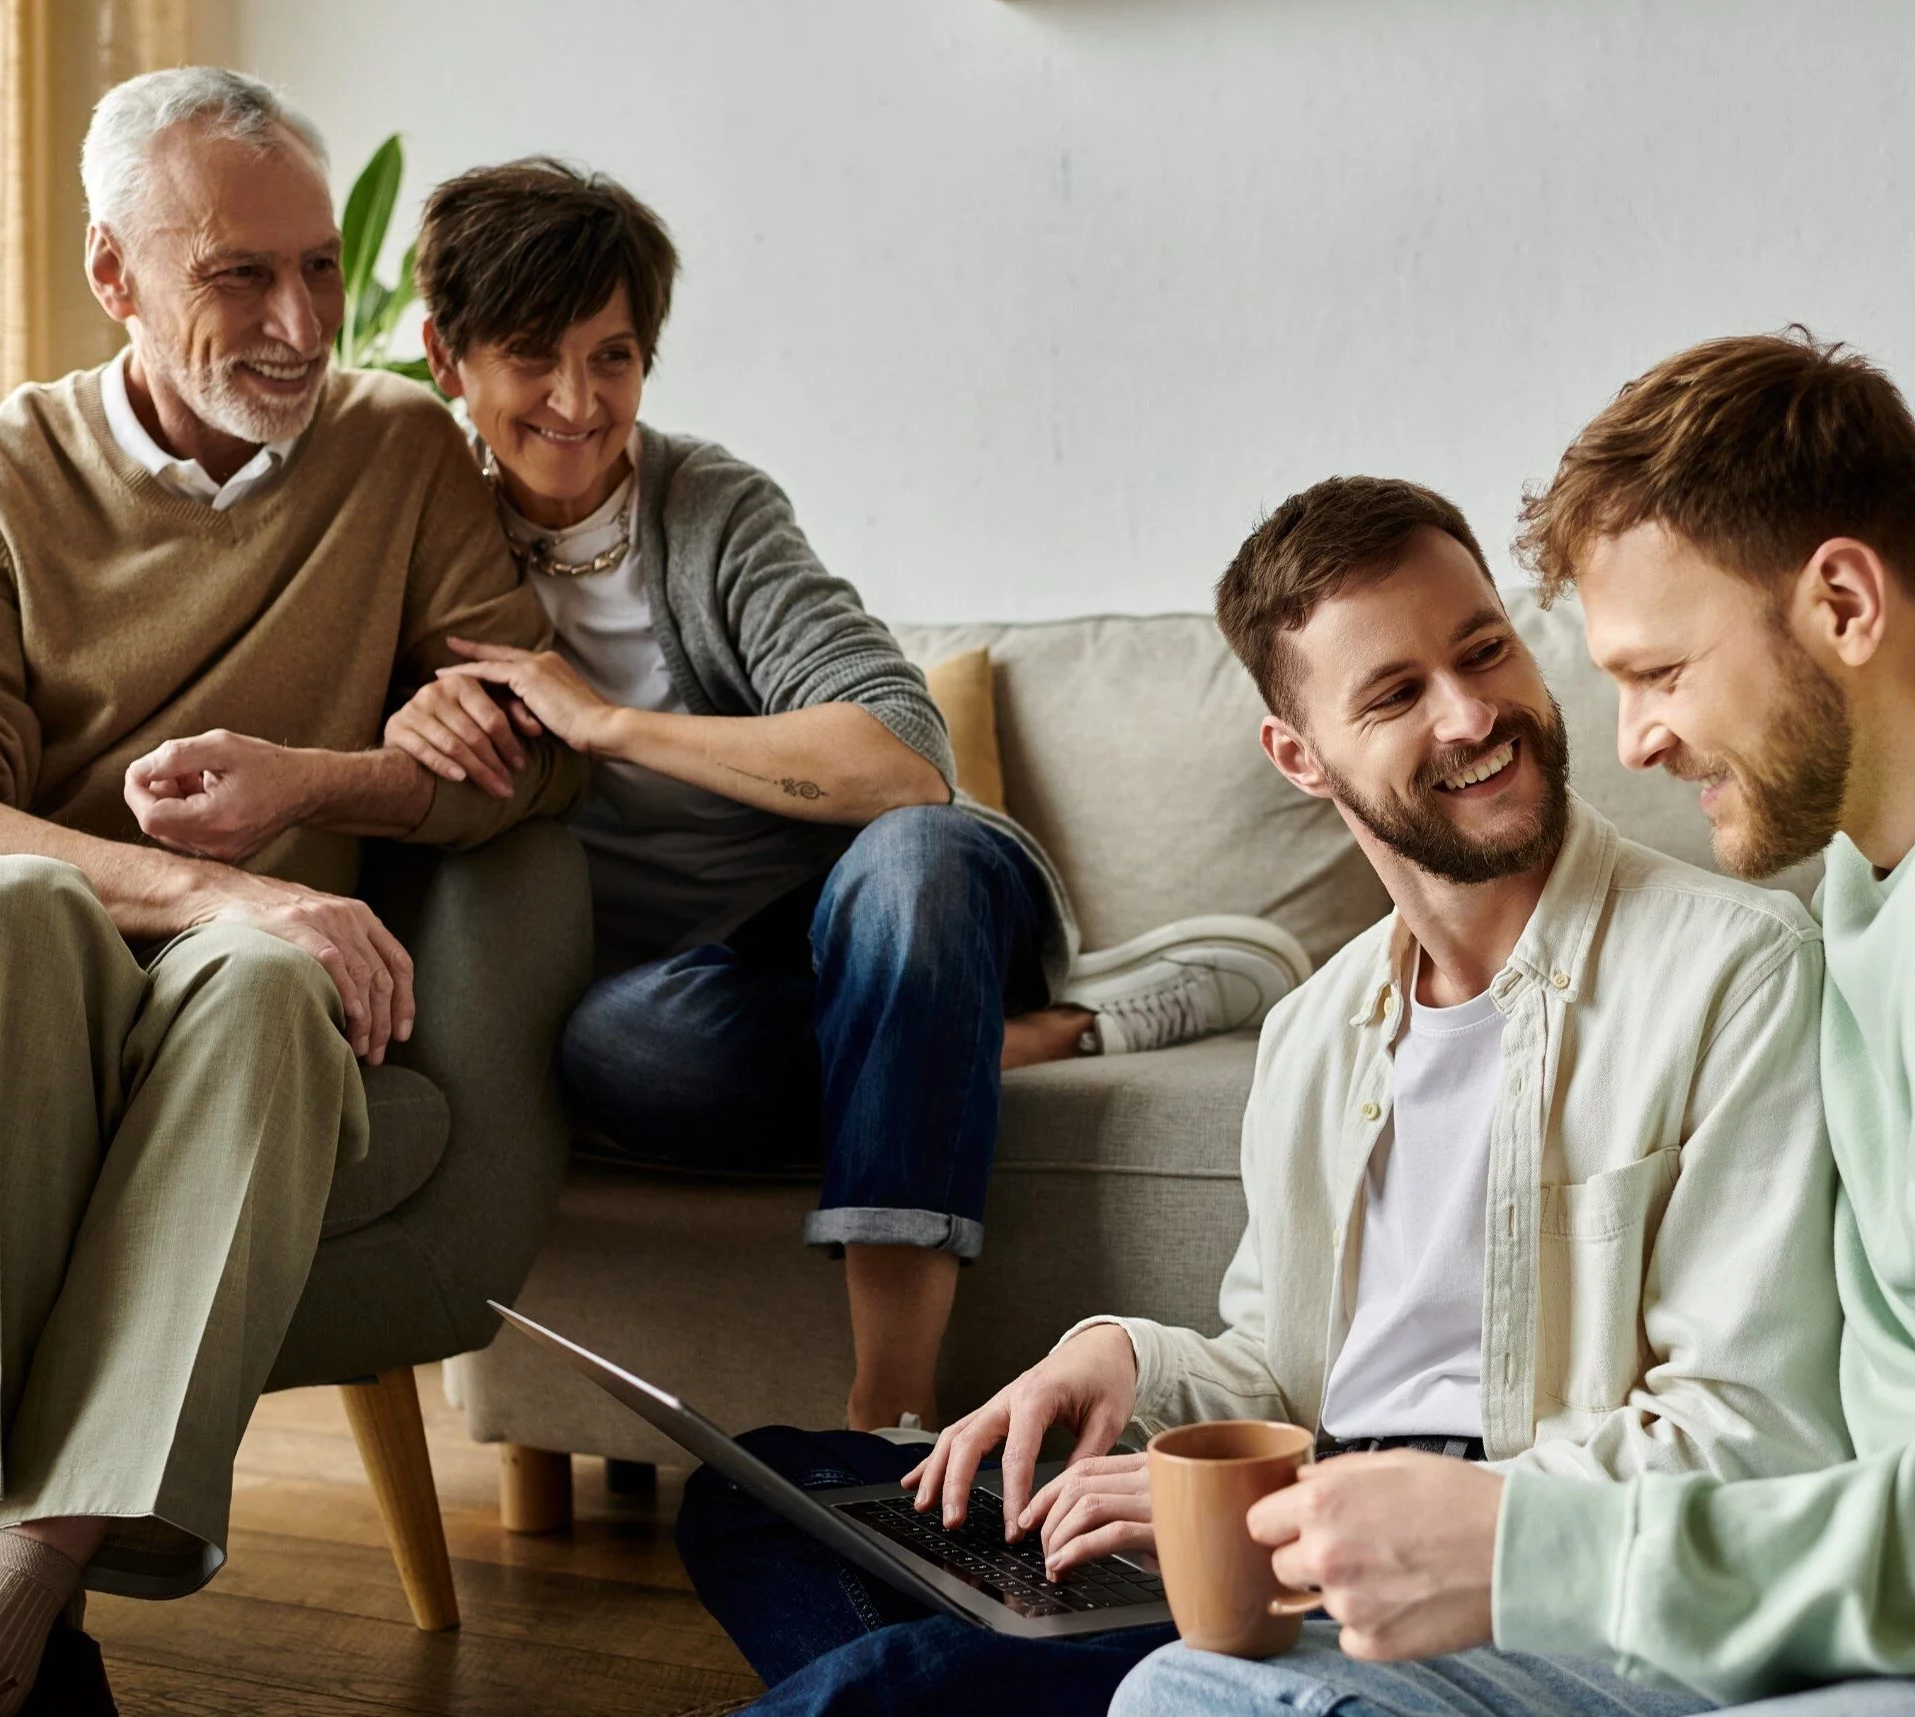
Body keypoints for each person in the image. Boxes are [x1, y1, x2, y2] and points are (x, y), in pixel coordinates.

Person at [668, 475, 1852, 1716]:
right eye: (1394, 694)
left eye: (1483, 649)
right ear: (1299, 756)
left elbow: (1746, 1438)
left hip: (1457, 1567)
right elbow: (1279, 1375)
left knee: (888, 1683)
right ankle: (1037, 1658)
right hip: (1285, 1532)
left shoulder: (1736, 967)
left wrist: (1280, 1508)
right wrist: (1123, 1355)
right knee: (765, 1493)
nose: (1470, 714)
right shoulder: (1315, 1031)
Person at [1112, 333, 1915, 1717]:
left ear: (1842, 601)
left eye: (1661, 671)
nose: (1631, 744)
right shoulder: (1900, 863)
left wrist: (1532, 1543)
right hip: (1891, 1620)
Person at [381, 159, 1305, 1431]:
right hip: (696, 993)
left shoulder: (712, 510)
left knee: (916, 855)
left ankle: (889, 1412)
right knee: (608, 1050)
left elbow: (900, 762)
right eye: (533, 355)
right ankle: (1016, 1035)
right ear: (447, 357)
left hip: (877, 905)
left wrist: (612, 725)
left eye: (614, 356)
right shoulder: (417, 535)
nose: (577, 400)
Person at [0, 69, 580, 1715]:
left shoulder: (402, 454)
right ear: (115, 278)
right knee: (18, 915)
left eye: (321, 268)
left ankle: (9, 1602)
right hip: (27, 965)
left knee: (281, 990)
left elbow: (545, 751)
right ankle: (16, 1590)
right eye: (236, 277)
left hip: (233, 998)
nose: (300, 321)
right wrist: (211, 895)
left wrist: (324, 786)